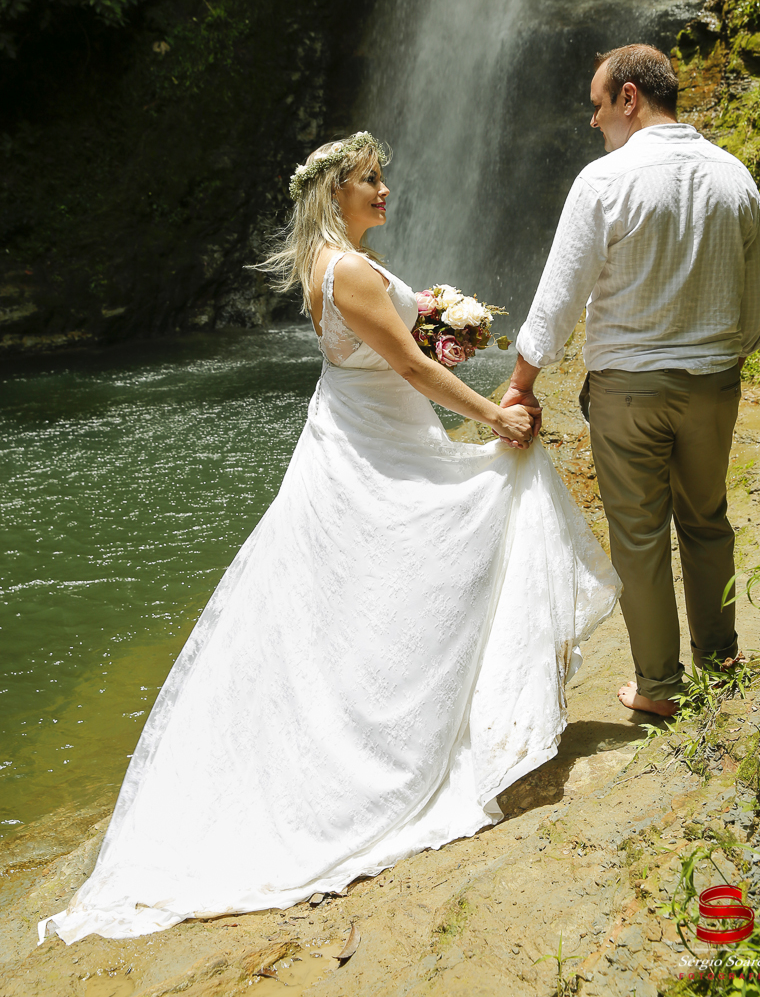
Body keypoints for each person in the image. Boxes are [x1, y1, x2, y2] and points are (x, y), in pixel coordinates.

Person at [40, 131, 618, 945]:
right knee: (432, 549)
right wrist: (496, 413)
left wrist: (435, 325)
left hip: (357, 437)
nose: (385, 190)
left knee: (367, 594)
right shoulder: (345, 269)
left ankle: (420, 717)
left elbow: (396, 356)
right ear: (333, 194)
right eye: (369, 181)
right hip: (375, 445)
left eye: (384, 178)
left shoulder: (329, 267)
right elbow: (412, 373)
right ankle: (407, 747)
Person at [501, 45, 760, 718]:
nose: (594, 124)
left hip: (628, 391)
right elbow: (753, 302)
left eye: (597, 107)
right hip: (713, 384)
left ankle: (659, 687)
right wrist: (726, 360)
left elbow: (558, 298)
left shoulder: (603, 182)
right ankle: (722, 662)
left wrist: (521, 383)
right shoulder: (736, 177)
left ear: (628, 98)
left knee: (640, 539)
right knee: (707, 521)